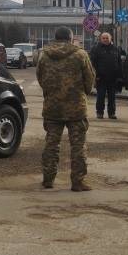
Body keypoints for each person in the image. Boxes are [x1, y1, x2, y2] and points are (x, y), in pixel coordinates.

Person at [36, 26, 96, 191]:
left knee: (51, 144)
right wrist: (82, 91)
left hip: (52, 107)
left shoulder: (44, 55)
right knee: (78, 146)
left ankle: (48, 179)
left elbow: (40, 78)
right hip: (76, 107)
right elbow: (90, 80)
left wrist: (51, 92)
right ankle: (78, 182)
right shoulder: (80, 55)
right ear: (70, 38)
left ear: (55, 38)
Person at [89, 32, 122, 120]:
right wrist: (96, 75)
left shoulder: (115, 49)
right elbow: (92, 63)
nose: (105, 39)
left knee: (112, 97)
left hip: (113, 77)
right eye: (103, 38)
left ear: (110, 38)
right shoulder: (96, 49)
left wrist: (119, 76)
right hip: (101, 77)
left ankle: (112, 113)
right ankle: (100, 112)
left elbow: (119, 62)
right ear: (101, 39)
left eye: (107, 38)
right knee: (101, 96)